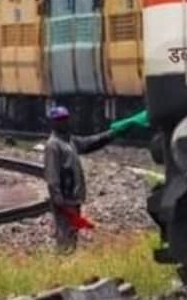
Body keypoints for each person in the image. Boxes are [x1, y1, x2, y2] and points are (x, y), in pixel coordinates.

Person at [42, 106, 149, 252]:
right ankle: (62, 262)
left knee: (72, 234)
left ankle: (67, 261)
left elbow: (92, 142)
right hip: (64, 201)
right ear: (53, 123)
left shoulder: (70, 141)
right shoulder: (53, 145)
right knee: (65, 235)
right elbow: (52, 176)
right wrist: (59, 200)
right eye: (60, 120)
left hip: (72, 199)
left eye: (65, 119)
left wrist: (114, 132)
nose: (64, 122)